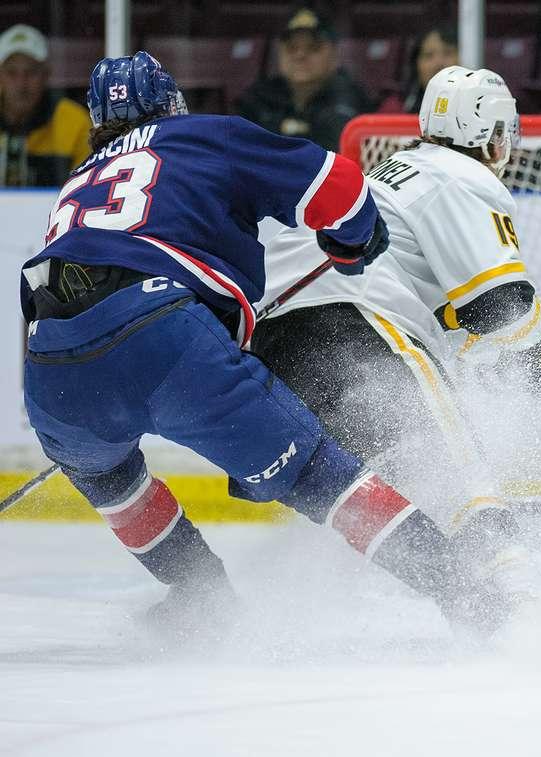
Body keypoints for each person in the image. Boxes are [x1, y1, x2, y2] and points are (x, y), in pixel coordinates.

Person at [21, 52, 498, 631]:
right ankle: (467, 590)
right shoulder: (201, 135)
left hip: (48, 369)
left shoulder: (76, 182)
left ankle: (203, 602)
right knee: (317, 475)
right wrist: (353, 239)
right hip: (164, 335)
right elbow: (340, 185)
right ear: (173, 102)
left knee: (109, 480)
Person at [252, 65, 541, 589]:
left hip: (273, 349)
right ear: (487, 134)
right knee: (459, 463)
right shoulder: (460, 176)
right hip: (348, 326)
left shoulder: (391, 171)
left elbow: (454, 309)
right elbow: (500, 306)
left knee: (393, 478)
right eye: (505, 131)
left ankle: (452, 586)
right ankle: (510, 576)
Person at [237, 7, 370, 151]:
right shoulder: (259, 97)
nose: (300, 55)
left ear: (334, 56)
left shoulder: (350, 99)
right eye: (291, 48)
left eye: (313, 48)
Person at [0, 24, 90, 186]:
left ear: (46, 75)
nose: (21, 84)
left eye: (31, 72)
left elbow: (87, 189)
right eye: (12, 72)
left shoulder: (74, 122)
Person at [378, 25, 459, 114]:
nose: (438, 64)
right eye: (429, 55)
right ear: (416, 65)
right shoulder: (396, 108)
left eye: (448, 53)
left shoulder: (475, 107)